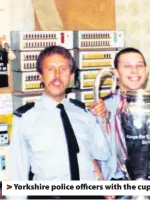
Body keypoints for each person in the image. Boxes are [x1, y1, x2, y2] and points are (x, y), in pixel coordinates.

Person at [8, 45, 110, 199]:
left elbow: (102, 153)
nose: (57, 75)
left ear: (71, 77)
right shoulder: (25, 117)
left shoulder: (84, 113)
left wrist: (101, 120)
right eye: (50, 69)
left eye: (63, 69)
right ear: (40, 76)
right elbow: (17, 172)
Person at [91, 47, 150, 182]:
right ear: (116, 72)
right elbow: (93, 155)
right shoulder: (103, 107)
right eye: (127, 66)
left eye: (139, 65)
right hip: (114, 184)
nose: (134, 71)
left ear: (146, 71)